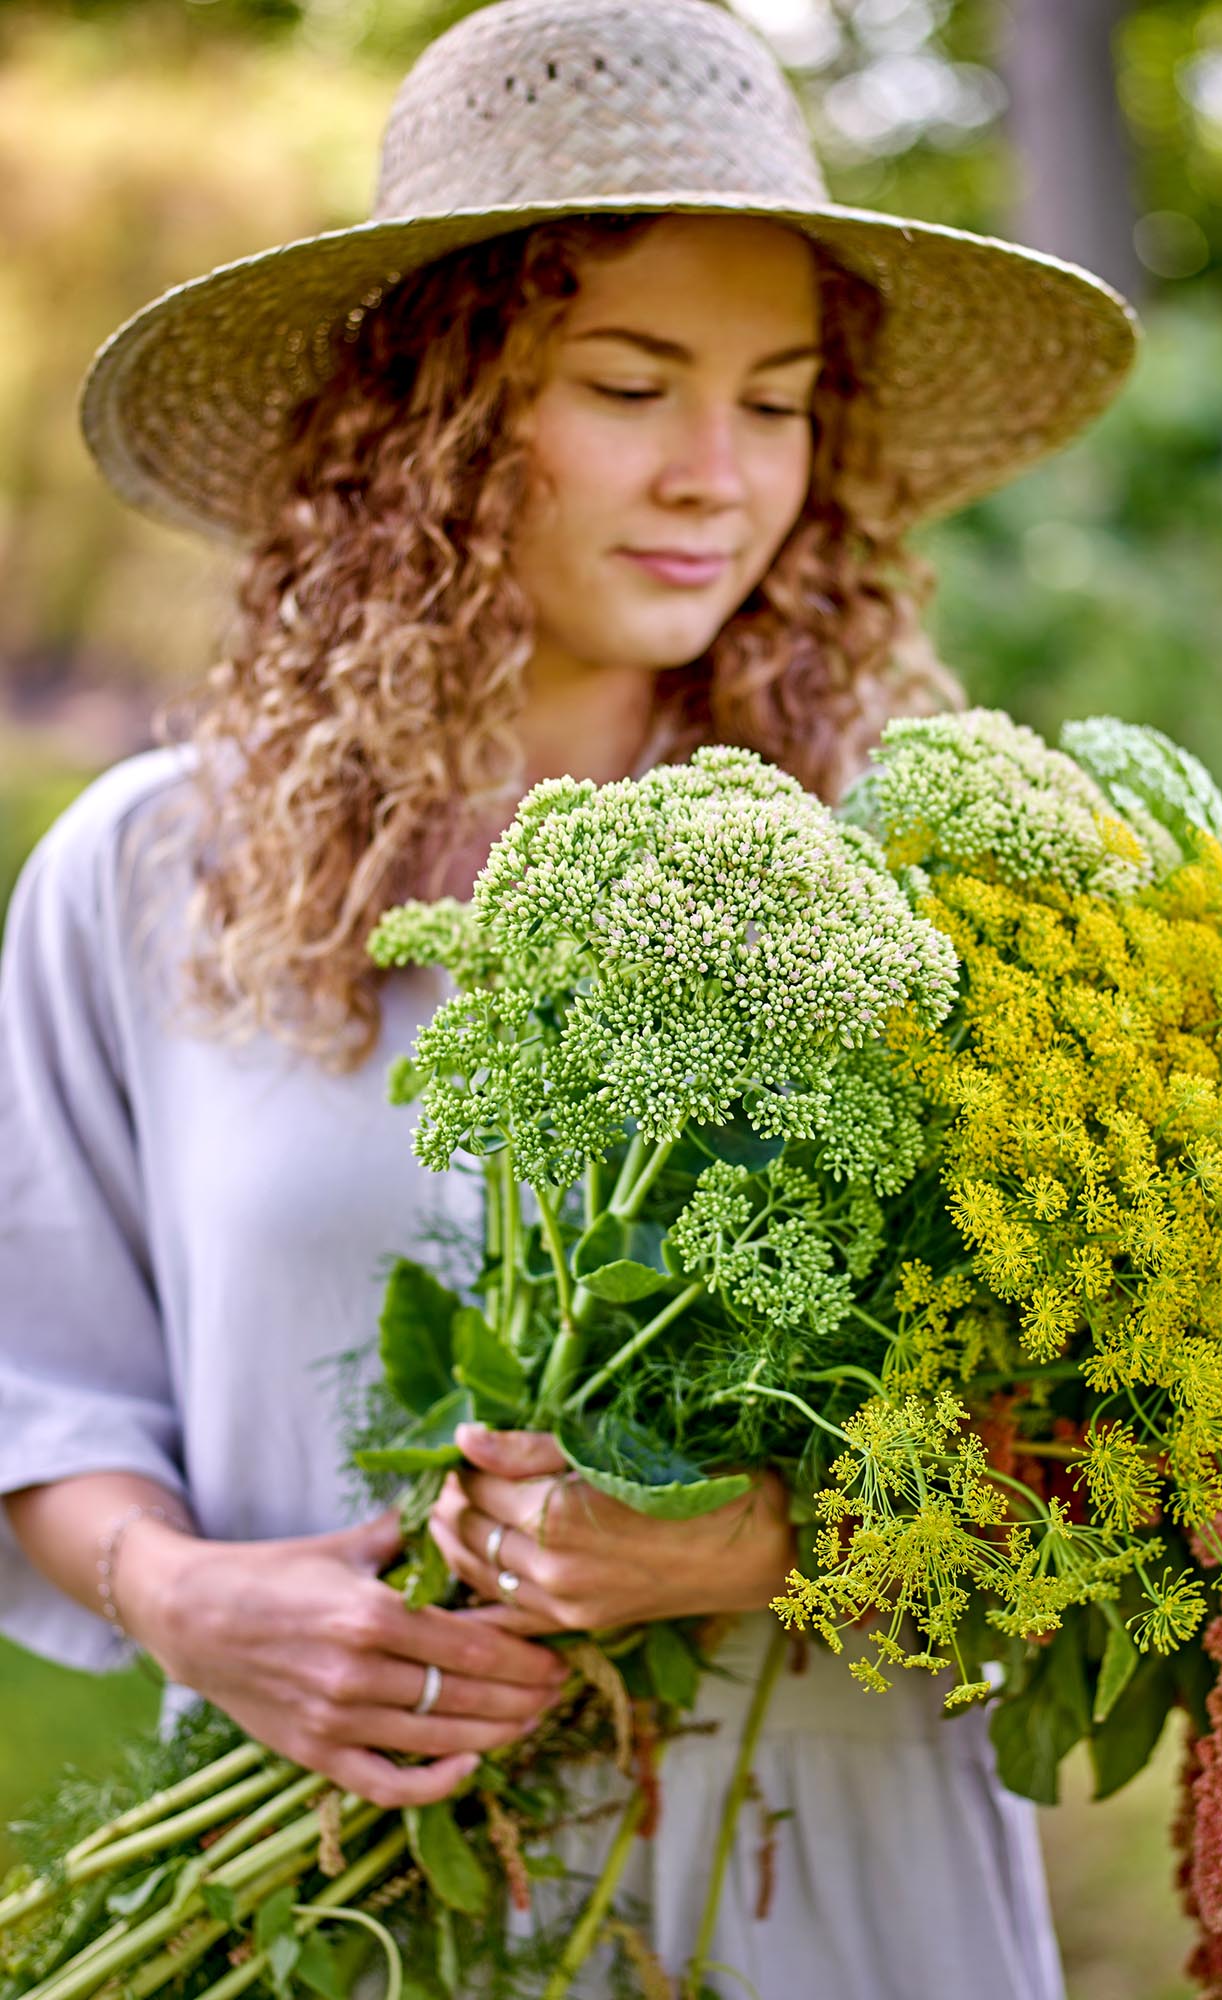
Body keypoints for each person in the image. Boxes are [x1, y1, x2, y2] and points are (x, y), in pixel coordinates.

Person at [0, 1, 1136, 1992]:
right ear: (428, 413)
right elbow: (40, 1380)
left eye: (778, 403)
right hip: (333, 1911)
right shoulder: (150, 872)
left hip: (830, 1895)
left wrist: (767, 1539)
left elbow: (1126, 1418)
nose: (718, 475)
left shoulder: (925, 872)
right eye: (630, 384)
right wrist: (186, 1600)